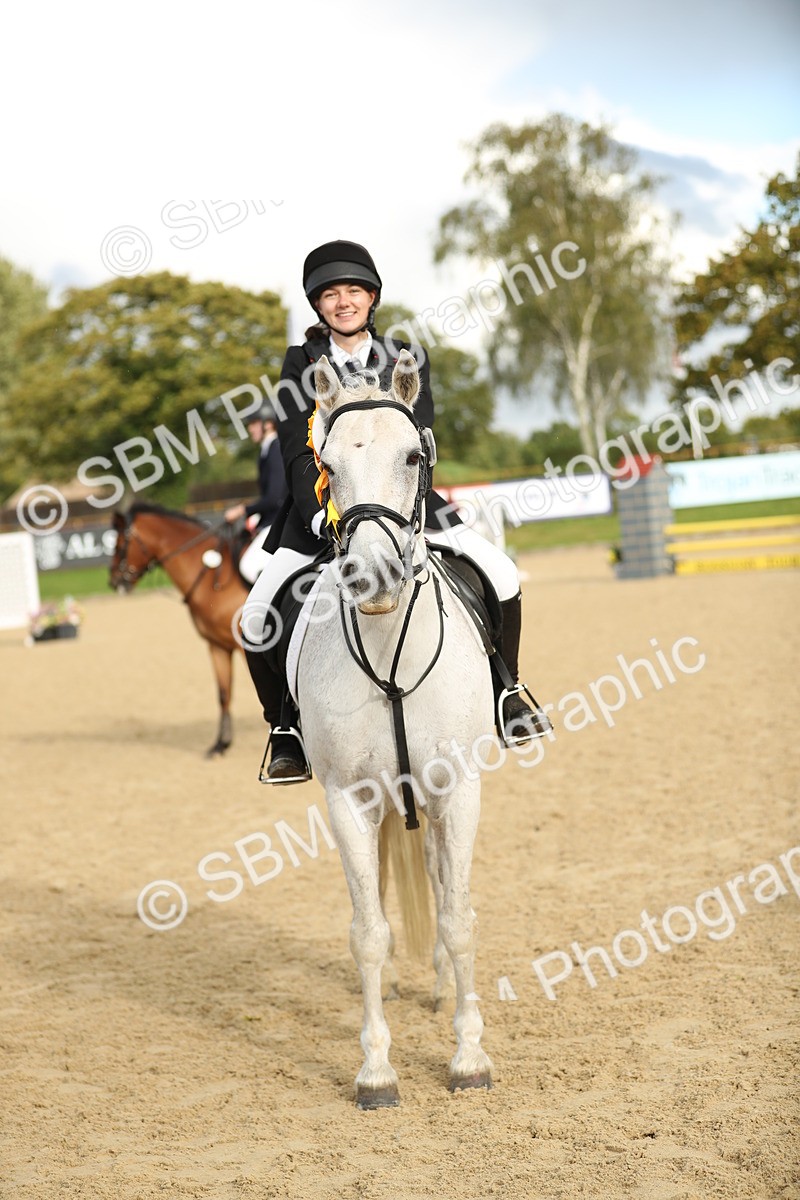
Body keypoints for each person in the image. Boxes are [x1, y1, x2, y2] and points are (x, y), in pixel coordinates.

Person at [242, 239, 551, 782]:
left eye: (354, 292)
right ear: (318, 305)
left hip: (406, 506)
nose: (343, 302)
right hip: (322, 511)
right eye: (331, 295)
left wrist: (403, 508)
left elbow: (422, 440)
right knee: (256, 617)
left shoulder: (405, 357)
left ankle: (509, 690)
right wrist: (322, 516)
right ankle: (285, 727)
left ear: (373, 297)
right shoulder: (300, 363)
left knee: (499, 572)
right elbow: (296, 449)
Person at [224, 405, 287, 584]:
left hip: (279, 521)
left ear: (268, 424)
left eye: (253, 423)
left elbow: (275, 498)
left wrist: (243, 510)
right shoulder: (266, 451)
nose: (250, 428)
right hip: (270, 520)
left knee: (249, 566)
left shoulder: (276, 449)